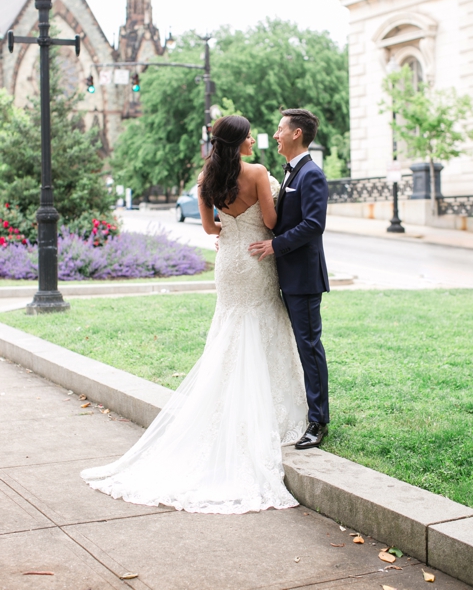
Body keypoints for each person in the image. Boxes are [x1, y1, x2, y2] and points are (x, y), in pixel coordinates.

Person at [81, 115, 308, 513]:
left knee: (231, 329)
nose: (255, 138)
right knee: (262, 324)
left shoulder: (207, 181)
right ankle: (269, 412)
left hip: (230, 264)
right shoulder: (257, 172)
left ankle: (223, 407)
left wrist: (233, 230)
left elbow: (209, 229)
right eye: (250, 133)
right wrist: (258, 224)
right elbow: (271, 222)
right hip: (256, 261)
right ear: (238, 141)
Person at [247, 108, 331, 450]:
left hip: (304, 278)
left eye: (281, 129)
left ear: (297, 133)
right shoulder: (291, 172)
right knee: (302, 345)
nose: (276, 134)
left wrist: (275, 245)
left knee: (309, 347)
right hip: (286, 274)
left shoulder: (311, 174)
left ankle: (318, 421)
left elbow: (314, 224)